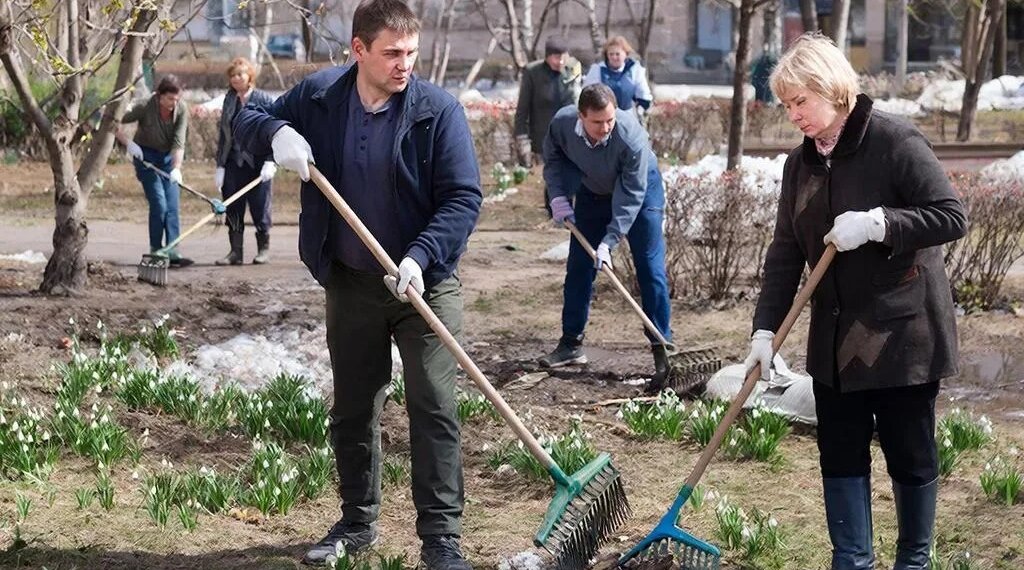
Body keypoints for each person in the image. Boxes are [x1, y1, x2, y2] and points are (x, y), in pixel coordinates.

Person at [232, 1, 482, 568]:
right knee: (352, 407)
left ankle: (441, 540)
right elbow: (245, 119)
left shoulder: (436, 111)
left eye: (411, 53)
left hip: (424, 285)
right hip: (351, 282)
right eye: (392, 53)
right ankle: (356, 523)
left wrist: (421, 256)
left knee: (434, 404)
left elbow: (464, 197)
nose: (404, 65)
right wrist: (274, 133)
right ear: (358, 50)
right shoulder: (321, 97)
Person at [743, 33, 966, 570]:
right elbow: (785, 252)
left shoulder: (892, 141)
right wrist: (764, 331)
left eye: (801, 101)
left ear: (832, 89)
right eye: (786, 104)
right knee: (840, 456)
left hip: (901, 335)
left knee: (909, 455)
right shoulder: (800, 165)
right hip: (835, 342)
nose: (793, 114)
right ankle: (853, 561)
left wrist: (879, 224)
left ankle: (914, 560)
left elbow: (951, 215)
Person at [539, 83, 673, 390]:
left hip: (641, 191)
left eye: (610, 120)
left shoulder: (630, 137)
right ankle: (571, 343)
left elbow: (631, 194)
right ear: (581, 117)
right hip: (593, 190)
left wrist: (609, 241)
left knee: (650, 268)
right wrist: (558, 196)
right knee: (578, 267)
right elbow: (554, 158)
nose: (605, 127)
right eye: (597, 122)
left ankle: (662, 349)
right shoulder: (562, 123)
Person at [116, 74, 192, 267]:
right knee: (159, 204)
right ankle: (156, 250)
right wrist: (129, 144)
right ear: (159, 95)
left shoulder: (181, 109)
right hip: (145, 157)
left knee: (172, 206)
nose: (173, 103)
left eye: (177, 99)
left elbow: (179, 141)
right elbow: (112, 120)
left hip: (168, 159)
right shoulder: (144, 106)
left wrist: (176, 168)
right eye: (169, 99)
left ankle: (172, 250)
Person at [213, 57, 277, 265]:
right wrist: (220, 166)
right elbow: (224, 135)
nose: (236, 78)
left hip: (258, 163)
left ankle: (263, 249)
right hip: (234, 163)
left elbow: (274, 131)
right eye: (233, 75)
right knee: (233, 207)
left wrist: (271, 160)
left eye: (240, 74)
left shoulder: (263, 100)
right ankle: (235, 252)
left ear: (250, 76)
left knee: (260, 206)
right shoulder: (229, 100)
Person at [513, 36, 582, 170]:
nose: (561, 62)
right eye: (556, 57)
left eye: (564, 57)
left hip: (570, 139)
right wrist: (522, 140)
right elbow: (522, 110)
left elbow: (578, 103)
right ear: (547, 57)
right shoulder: (533, 72)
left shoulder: (572, 69)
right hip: (543, 141)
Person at [582, 35, 653, 118]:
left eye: (617, 54)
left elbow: (643, 95)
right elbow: (586, 94)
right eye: (611, 54)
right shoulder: (598, 70)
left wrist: (641, 110)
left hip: (627, 116)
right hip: (603, 117)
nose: (614, 57)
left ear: (625, 54)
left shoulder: (634, 70)